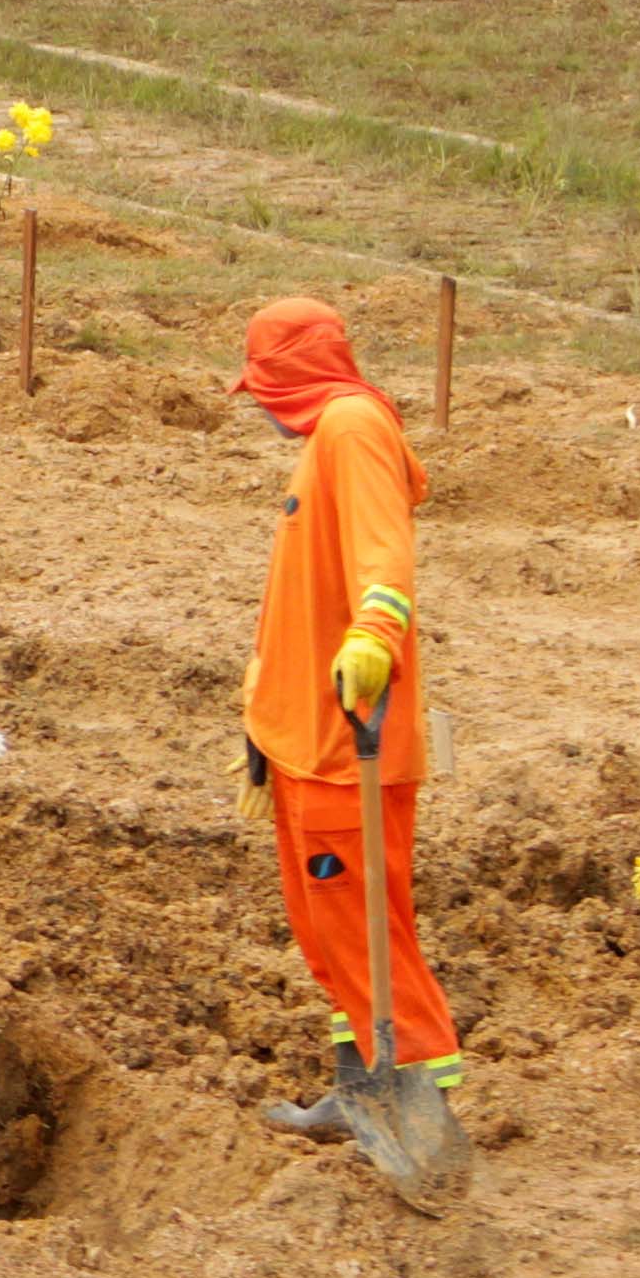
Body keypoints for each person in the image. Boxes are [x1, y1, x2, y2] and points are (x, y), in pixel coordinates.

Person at [234, 297, 458, 1138]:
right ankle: (361, 1086)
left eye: (260, 384)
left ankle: (419, 1103)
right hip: (302, 739)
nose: (256, 405)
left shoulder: (354, 427)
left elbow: (383, 550)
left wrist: (376, 632)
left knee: (366, 929)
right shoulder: (326, 440)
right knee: (330, 934)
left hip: (345, 735)